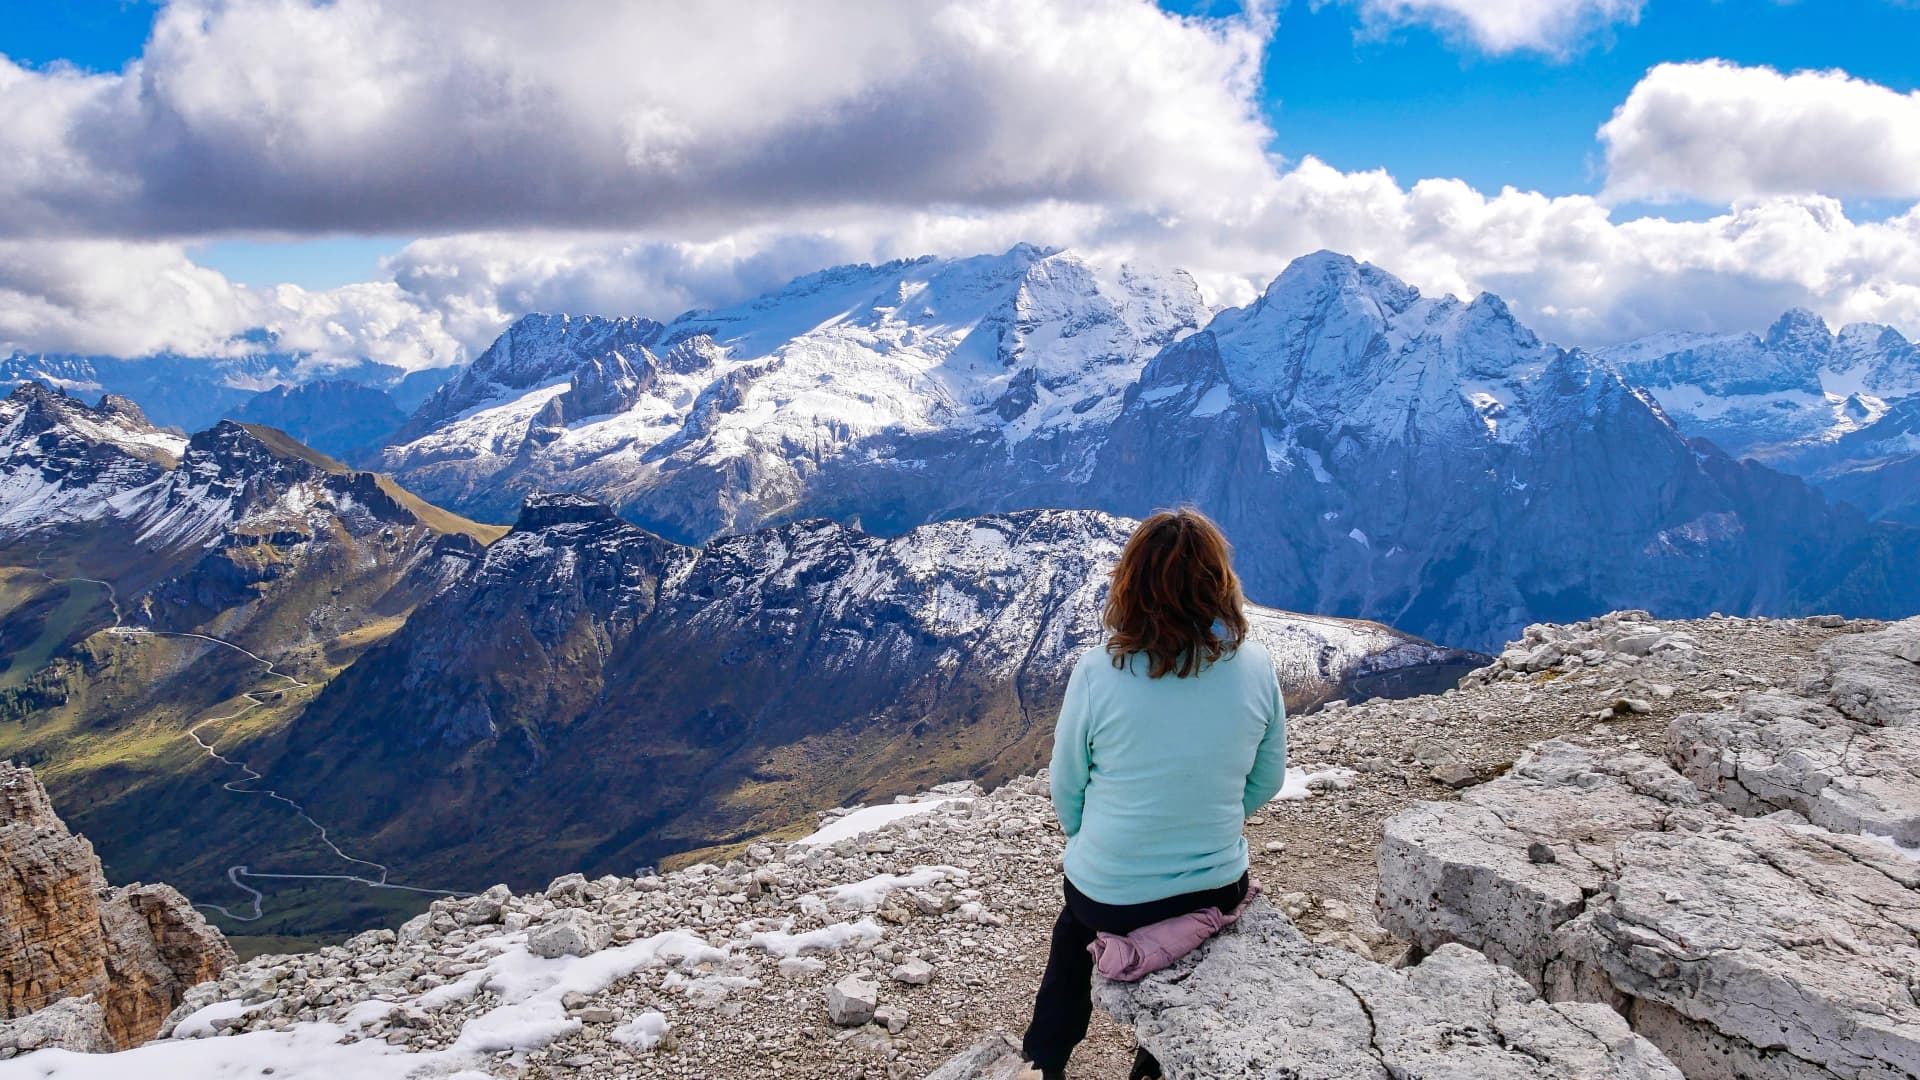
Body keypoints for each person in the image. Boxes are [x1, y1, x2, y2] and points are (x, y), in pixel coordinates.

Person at [1017, 508, 1288, 1080]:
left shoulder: (1097, 671)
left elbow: (1066, 788)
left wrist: (1104, 844)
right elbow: (1268, 780)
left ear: (1131, 585)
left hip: (1106, 893)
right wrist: (1203, 819)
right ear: (1218, 586)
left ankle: (1044, 1061)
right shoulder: (1257, 667)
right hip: (1212, 889)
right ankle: (1156, 1067)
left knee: (1073, 934)